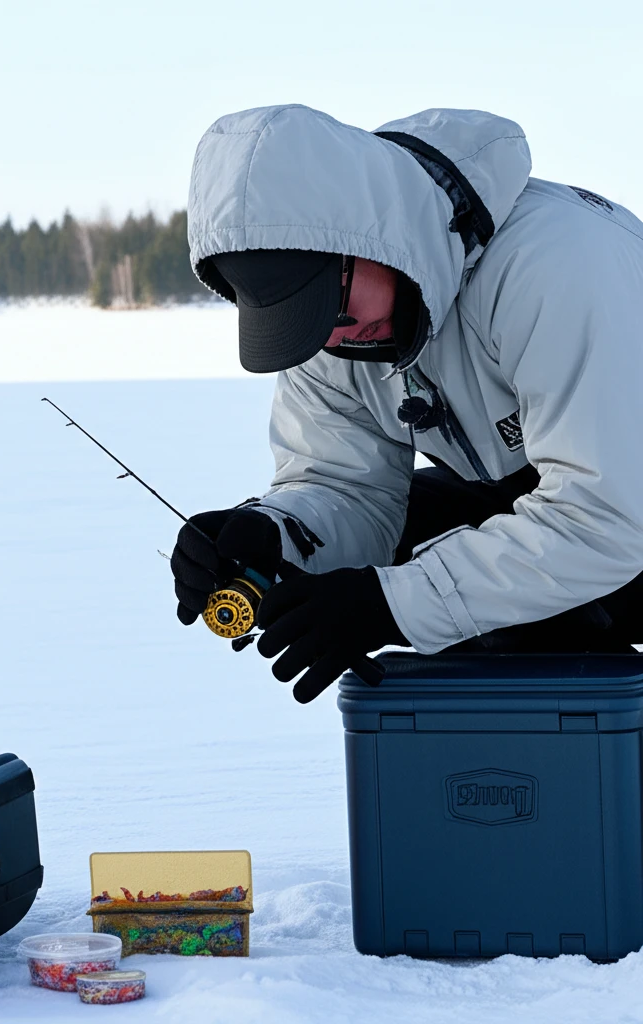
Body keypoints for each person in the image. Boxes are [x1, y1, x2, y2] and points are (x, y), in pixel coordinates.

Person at [170, 104, 643, 703]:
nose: (332, 338)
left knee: (456, 593)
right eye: (300, 321)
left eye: (329, 307)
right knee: (424, 547)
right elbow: (347, 488)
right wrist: (276, 535)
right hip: (574, 504)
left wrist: (392, 606)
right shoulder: (340, 324)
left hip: (625, 511)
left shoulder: (560, 264)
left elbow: (603, 516)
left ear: (366, 234)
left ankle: (594, 755)